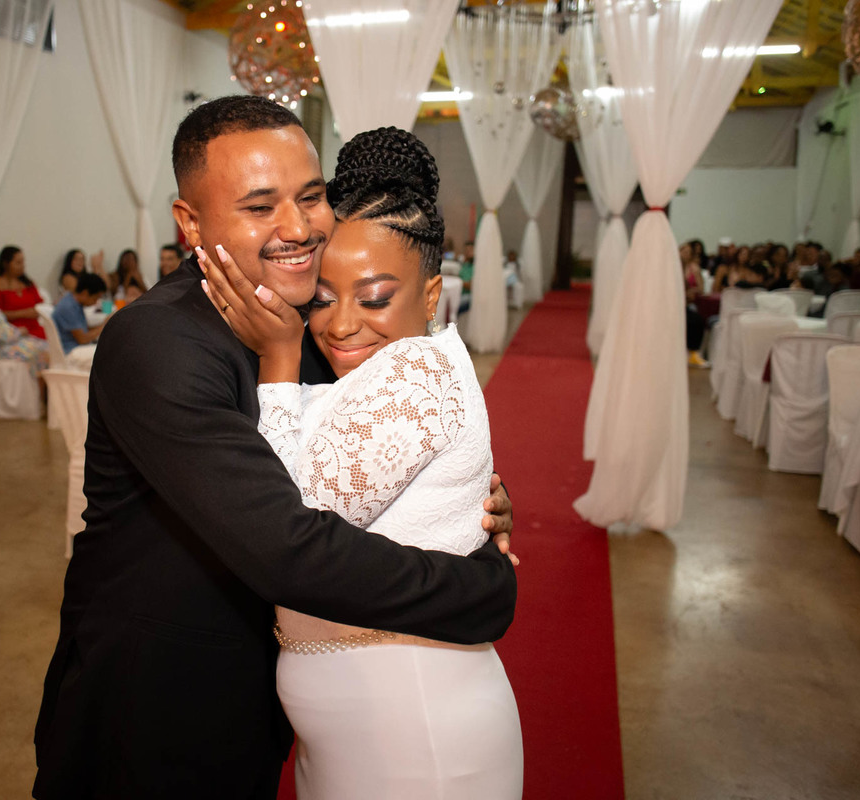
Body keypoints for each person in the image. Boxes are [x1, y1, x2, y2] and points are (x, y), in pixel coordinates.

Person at [32, 96, 517, 800]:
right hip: (151, 712)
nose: (297, 227)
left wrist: (473, 498)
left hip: (265, 705)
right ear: (190, 222)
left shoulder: (312, 320)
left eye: (311, 197)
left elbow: (390, 442)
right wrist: (480, 587)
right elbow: (288, 547)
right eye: (261, 206)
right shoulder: (158, 342)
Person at [196, 127, 523, 797]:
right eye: (322, 298)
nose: (341, 324)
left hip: (418, 733)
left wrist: (279, 358)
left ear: (430, 296)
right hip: (358, 733)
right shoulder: (377, 370)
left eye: (374, 298)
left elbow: (286, 525)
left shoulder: (418, 369)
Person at [0, 245, 46, 339]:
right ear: (6, 264)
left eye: (23, 262)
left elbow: (40, 305)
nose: (22, 266)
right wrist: (22, 313)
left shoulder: (28, 283)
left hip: (35, 329)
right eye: (18, 263)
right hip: (13, 333)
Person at [51, 272, 109, 355]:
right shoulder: (68, 307)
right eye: (95, 298)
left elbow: (83, 329)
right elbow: (83, 339)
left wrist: (105, 324)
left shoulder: (74, 302)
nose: (96, 302)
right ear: (85, 293)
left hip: (77, 347)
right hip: (70, 351)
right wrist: (104, 326)